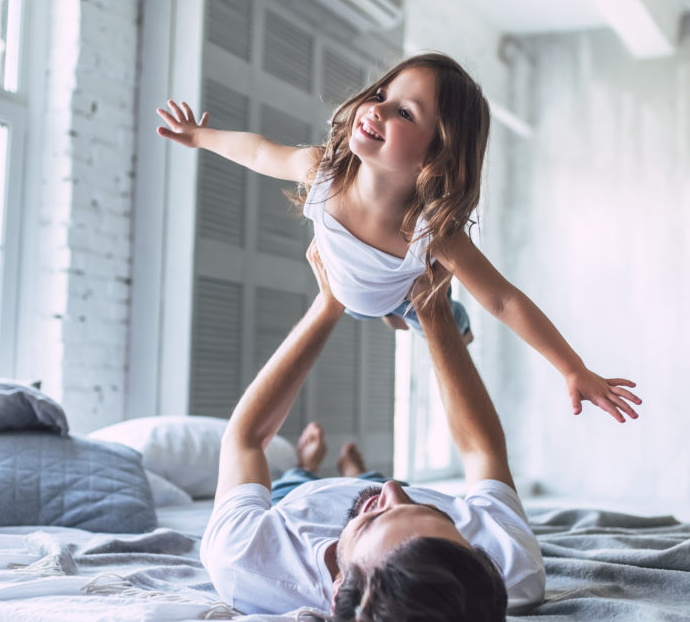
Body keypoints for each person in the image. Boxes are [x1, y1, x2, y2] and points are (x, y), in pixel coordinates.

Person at [157, 52, 642, 422]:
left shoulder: (430, 233)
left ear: (436, 156)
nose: (378, 109)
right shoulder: (322, 172)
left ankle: (415, 314)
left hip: (402, 293)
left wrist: (571, 366)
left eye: (405, 114)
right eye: (382, 95)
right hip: (345, 282)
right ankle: (391, 312)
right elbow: (261, 153)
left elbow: (503, 300)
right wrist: (201, 137)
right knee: (389, 305)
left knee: (441, 315)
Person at [200, 242, 546, 622]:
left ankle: (309, 468)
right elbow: (483, 453)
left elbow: (246, 439)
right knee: (375, 480)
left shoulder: (245, 558)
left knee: (294, 480)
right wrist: (432, 309)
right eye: (436, 515)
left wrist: (328, 305)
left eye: (375, 519)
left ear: (338, 587)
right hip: (349, 506)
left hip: (298, 505)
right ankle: (355, 470)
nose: (394, 490)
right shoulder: (513, 568)